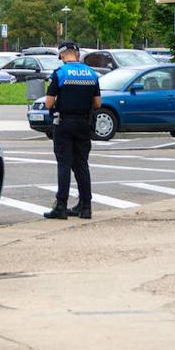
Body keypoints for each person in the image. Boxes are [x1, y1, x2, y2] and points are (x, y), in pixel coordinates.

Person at [43, 42, 100, 220]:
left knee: (64, 165)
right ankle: (86, 207)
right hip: (84, 124)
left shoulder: (60, 74)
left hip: (64, 123)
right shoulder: (91, 74)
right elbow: (97, 103)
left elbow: (48, 103)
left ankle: (61, 206)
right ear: (78, 54)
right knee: (82, 165)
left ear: (61, 56)